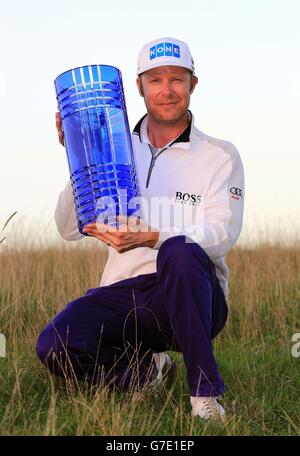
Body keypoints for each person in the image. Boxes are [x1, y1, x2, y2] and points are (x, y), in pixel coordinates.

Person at [36, 37, 244, 421]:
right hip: (127, 294)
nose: (167, 91)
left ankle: (205, 395)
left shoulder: (219, 154)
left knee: (178, 251)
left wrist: (154, 238)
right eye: (155, 80)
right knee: (54, 343)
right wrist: (79, 153)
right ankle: (145, 373)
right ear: (139, 88)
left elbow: (222, 233)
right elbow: (69, 228)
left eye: (177, 80)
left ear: (193, 85)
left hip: (195, 295)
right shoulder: (115, 150)